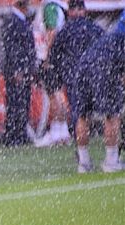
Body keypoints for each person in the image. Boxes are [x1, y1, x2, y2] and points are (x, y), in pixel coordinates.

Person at [71, 14, 125, 173]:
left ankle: (84, 163)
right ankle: (111, 161)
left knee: (83, 115)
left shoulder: (111, 36)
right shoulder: (120, 41)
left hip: (84, 64)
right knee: (111, 115)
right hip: (105, 67)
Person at [49, 0, 103, 138]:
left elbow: (54, 55)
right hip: (93, 75)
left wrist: (57, 76)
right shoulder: (95, 29)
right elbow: (104, 51)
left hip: (73, 76)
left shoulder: (64, 31)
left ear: (70, 11)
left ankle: (79, 138)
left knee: (78, 110)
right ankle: (96, 132)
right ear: (84, 10)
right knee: (95, 106)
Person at [34, 0, 72, 146]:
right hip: (60, 57)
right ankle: (62, 131)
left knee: (53, 94)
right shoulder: (57, 7)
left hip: (52, 58)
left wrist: (47, 57)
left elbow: (51, 32)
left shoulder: (50, 7)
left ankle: (56, 132)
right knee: (57, 93)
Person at [1, 0, 36, 145]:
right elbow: (12, 48)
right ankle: (14, 136)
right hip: (17, 70)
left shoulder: (19, 21)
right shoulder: (12, 21)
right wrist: (18, 69)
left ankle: (20, 133)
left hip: (23, 69)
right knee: (16, 103)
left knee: (22, 101)